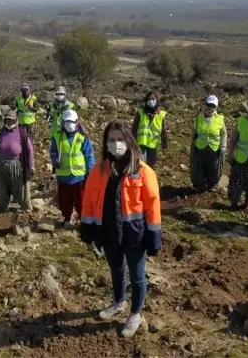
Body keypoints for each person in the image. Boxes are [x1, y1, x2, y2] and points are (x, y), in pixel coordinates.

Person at [79, 120, 161, 338]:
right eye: (112, 140)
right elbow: (88, 199)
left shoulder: (143, 171)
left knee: (137, 276)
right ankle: (118, 301)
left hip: (136, 235)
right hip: (109, 232)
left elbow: (153, 205)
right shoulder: (99, 170)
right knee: (116, 270)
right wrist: (87, 227)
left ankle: (135, 313)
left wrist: (154, 236)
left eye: (120, 139)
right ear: (106, 143)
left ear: (129, 141)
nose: (116, 144)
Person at [51, 109, 95, 227]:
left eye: (71, 122)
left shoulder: (82, 136)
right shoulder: (57, 137)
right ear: (63, 123)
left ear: (77, 122)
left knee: (81, 200)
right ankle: (67, 217)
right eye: (66, 122)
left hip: (79, 176)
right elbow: (53, 152)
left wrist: (90, 171)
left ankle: (83, 219)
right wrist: (55, 160)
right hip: (63, 176)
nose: (69, 124)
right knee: (65, 200)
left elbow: (89, 155)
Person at [0, 110, 35, 212]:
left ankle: (25, 207)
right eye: (7, 120)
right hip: (1, 165)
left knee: (21, 188)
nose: (9, 122)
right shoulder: (0, 132)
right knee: (2, 188)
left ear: (16, 121)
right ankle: (3, 206)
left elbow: (29, 150)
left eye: (11, 120)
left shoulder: (22, 133)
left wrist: (31, 166)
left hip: (16, 165)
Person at [190, 95, 227, 192]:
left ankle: (213, 185)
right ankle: (199, 185)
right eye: (209, 104)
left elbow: (223, 133)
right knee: (199, 167)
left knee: (214, 168)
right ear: (205, 104)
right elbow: (195, 129)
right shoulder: (199, 117)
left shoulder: (219, 119)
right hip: (200, 147)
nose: (210, 107)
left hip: (214, 149)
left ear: (216, 107)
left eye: (213, 106)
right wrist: (193, 136)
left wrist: (223, 146)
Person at [132, 91, 168, 168]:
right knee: (140, 165)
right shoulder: (141, 112)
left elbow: (164, 131)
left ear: (157, 100)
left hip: (153, 145)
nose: (151, 101)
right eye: (149, 99)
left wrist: (164, 146)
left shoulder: (161, 114)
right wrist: (132, 142)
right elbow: (134, 128)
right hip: (141, 143)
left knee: (150, 167)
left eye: (153, 99)